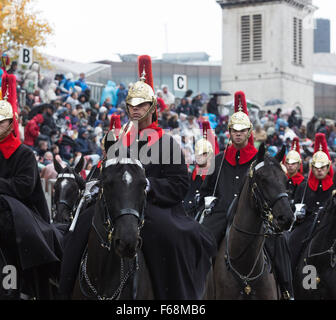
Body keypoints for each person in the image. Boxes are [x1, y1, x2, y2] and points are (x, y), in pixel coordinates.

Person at [58, 55, 216, 300]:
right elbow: (102, 171)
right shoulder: (119, 141)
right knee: (77, 229)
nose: (135, 108)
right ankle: (64, 290)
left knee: (169, 236)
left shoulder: (166, 142)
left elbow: (180, 183)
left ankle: (174, 298)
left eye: (141, 105)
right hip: (114, 205)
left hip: (152, 206)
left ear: (152, 108)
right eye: (132, 104)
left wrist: (149, 186)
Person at [200, 91, 294, 299]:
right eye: (235, 130)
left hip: (254, 214)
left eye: (242, 130)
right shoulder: (218, 159)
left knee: (280, 242)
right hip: (222, 211)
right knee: (201, 238)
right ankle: (198, 289)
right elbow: (206, 189)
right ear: (229, 132)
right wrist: (207, 200)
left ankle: (287, 289)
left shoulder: (259, 161)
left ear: (249, 132)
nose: (238, 134)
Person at [0, 74, 63, 299]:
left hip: (23, 211)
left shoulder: (24, 153)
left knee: (17, 236)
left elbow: (24, 187)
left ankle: (28, 286)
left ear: (10, 123)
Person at [288, 133, 336, 300]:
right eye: (316, 167)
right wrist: (297, 212)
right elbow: (294, 206)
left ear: (328, 167)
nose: (319, 170)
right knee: (290, 242)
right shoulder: (303, 186)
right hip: (309, 223)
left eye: (322, 167)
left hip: (333, 224)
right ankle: (287, 286)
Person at [183, 121, 215, 218]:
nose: (199, 156)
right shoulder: (190, 175)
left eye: (203, 153)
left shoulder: (213, 177)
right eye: (198, 153)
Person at [284, 137, 305, 201]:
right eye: (288, 163)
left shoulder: (303, 182)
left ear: (299, 165)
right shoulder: (282, 179)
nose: (290, 165)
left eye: (293, 163)